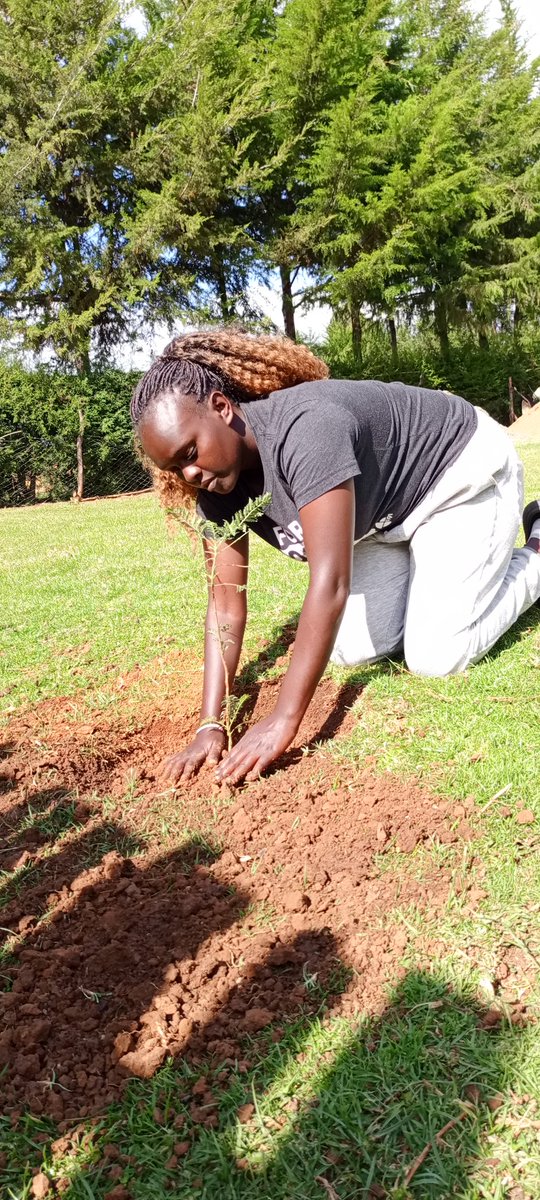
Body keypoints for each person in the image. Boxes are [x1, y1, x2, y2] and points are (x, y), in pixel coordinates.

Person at [131, 329, 540, 786]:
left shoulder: (307, 430)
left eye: (190, 452)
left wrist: (285, 718)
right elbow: (225, 604)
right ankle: (434, 568)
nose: (190, 473)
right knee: (350, 649)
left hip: (458, 475)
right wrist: (211, 722)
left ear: (222, 408)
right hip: (389, 521)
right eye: (176, 468)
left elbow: (331, 583)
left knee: (437, 655)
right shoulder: (216, 491)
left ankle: (537, 550)